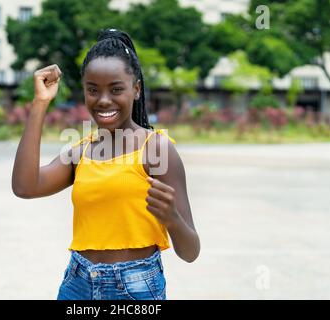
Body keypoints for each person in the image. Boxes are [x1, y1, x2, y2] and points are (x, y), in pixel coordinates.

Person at [12, 29, 200, 300]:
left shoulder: (157, 150)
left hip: (136, 288)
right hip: (78, 284)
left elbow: (191, 251)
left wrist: (172, 217)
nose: (103, 100)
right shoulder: (80, 152)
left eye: (116, 89)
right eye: (92, 90)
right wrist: (41, 103)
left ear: (136, 89)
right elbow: (24, 186)